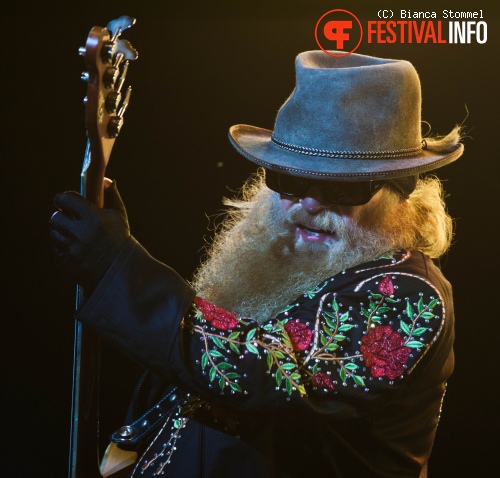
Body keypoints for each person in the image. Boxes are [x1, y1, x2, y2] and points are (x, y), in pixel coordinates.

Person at [50, 51, 464, 477]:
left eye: (343, 189)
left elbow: (258, 369)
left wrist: (119, 268)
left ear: (399, 192)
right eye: (289, 180)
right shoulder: (279, 270)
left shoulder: (413, 295)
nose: (308, 203)